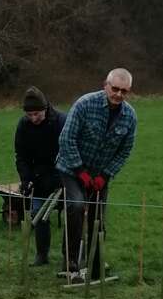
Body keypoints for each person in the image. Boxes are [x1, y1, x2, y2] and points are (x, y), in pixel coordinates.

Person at [55, 68, 137, 284]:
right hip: (71, 169)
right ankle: (70, 262)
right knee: (76, 206)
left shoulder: (130, 116)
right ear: (105, 85)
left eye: (124, 91)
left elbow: (125, 151)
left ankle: (95, 262)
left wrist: (105, 175)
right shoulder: (84, 104)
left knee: (97, 217)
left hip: (100, 174)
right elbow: (66, 139)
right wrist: (80, 171)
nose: (119, 94)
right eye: (115, 89)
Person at [14, 86, 66, 266]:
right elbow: (21, 157)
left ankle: (70, 257)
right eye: (30, 115)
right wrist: (26, 179)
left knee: (70, 215)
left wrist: (62, 178)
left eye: (37, 114)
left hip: (63, 177)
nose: (33, 118)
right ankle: (42, 255)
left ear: (45, 109)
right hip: (38, 178)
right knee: (38, 214)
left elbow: (70, 152)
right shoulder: (23, 125)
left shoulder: (61, 121)